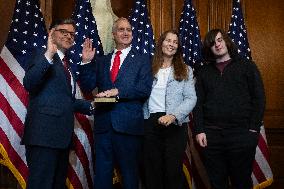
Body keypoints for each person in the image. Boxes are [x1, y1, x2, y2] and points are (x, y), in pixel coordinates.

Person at [78, 17, 153, 189]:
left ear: (133, 35)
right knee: (102, 175)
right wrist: (87, 62)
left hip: (128, 127)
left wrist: (118, 92)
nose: (125, 33)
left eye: (128, 30)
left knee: (129, 176)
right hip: (104, 126)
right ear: (113, 34)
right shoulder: (102, 60)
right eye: (121, 29)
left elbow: (144, 89)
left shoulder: (142, 60)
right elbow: (88, 85)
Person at [22, 19, 94, 189]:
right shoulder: (42, 55)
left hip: (61, 138)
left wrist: (92, 106)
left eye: (72, 34)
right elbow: (29, 83)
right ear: (52, 32)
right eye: (64, 32)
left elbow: (65, 100)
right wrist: (48, 55)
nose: (69, 36)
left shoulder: (67, 65)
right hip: (43, 136)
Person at [193, 29, 265, 189]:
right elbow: (197, 103)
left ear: (226, 41)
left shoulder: (247, 66)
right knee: (217, 183)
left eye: (219, 40)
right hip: (212, 138)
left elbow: (259, 98)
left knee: (241, 182)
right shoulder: (204, 72)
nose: (217, 45)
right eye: (212, 43)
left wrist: (253, 129)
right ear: (209, 49)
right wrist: (199, 130)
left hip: (241, 135)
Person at [143, 30, 197, 189]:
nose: (171, 44)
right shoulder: (148, 67)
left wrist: (173, 115)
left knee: (172, 171)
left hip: (175, 124)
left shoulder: (186, 70)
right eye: (168, 40)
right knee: (152, 170)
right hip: (150, 123)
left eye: (175, 42)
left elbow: (191, 98)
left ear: (178, 47)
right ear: (161, 43)